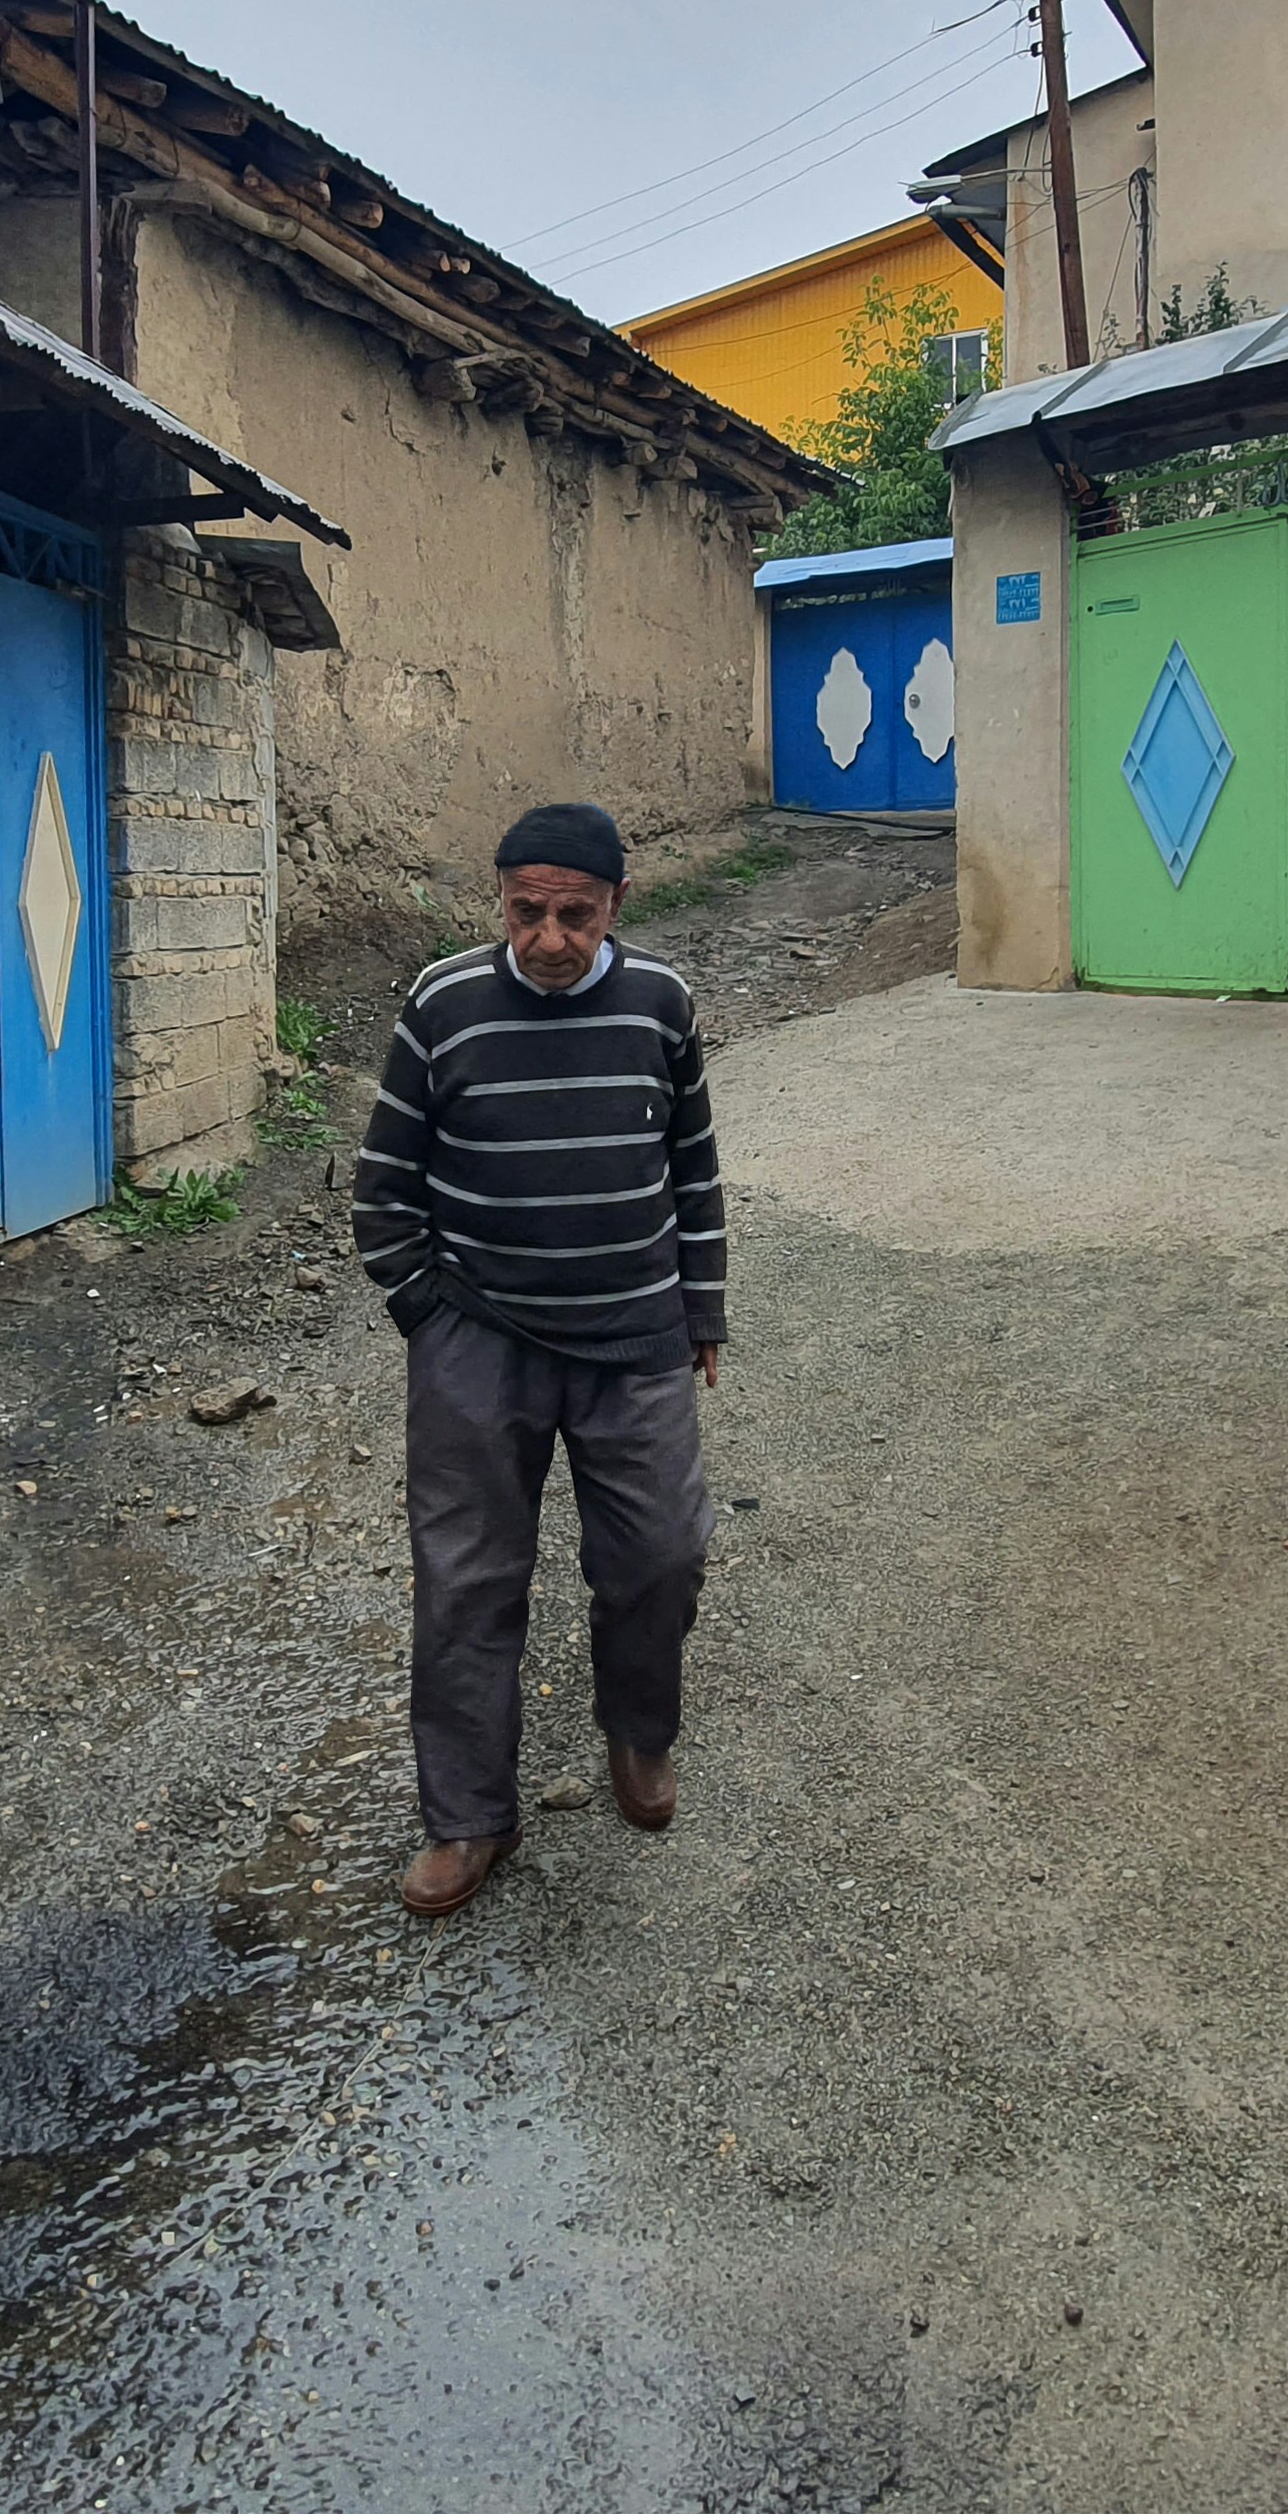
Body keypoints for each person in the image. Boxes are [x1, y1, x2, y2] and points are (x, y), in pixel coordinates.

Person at [351, 801, 727, 1919]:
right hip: (481, 1340)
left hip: (636, 1337)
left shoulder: (662, 1003)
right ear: (500, 902)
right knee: (466, 1581)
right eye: (527, 912)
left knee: (662, 1555)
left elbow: (693, 1166)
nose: (549, 939)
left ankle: (639, 1737)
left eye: (574, 914)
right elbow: (385, 1181)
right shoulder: (444, 1003)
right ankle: (467, 1819)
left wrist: (699, 1307)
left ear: (618, 905)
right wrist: (429, 1310)